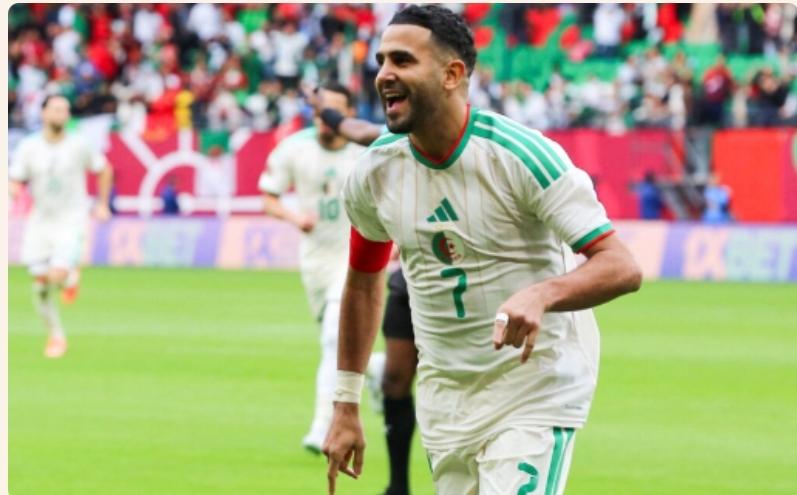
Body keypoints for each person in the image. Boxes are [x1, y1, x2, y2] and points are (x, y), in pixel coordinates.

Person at [322, 5, 642, 495]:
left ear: (452, 75)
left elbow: (621, 266)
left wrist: (542, 294)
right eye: (383, 60)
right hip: (446, 403)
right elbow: (364, 282)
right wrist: (345, 403)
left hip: (535, 391)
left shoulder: (521, 156)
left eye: (403, 60)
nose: (384, 73)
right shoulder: (374, 172)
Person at [306, 84, 418, 495]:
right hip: (408, 282)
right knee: (394, 382)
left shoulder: (483, 147)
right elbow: (355, 129)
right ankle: (398, 486)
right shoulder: (396, 141)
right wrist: (324, 109)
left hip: (468, 290)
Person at [258, 81, 366, 454]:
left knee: (332, 339)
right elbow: (269, 198)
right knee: (334, 342)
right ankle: (381, 370)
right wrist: (294, 216)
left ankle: (323, 424)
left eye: (333, 110)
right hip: (315, 260)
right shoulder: (294, 148)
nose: (325, 117)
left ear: (349, 115)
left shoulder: (364, 152)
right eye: (320, 109)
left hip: (355, 259)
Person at [8, 94, 113, 358]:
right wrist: (11, 193)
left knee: (55, 275)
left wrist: (102, 204)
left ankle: (69, 275)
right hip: (40, 221)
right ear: (43, 113)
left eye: (65, 110)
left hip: (70, 219)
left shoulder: (79, 144)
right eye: (56, 109)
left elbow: (104, 169)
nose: (61, 114)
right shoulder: (29, 147)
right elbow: (16, 180)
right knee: (40, 284)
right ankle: (56, 335)